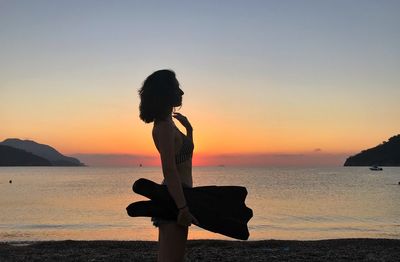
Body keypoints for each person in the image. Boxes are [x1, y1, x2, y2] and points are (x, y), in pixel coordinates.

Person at [138, 69, 198, 262]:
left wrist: (189, 130)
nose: (181, 93)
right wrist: (183, 208)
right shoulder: (163, 126)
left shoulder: (170, 123)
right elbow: (169, 169)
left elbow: (185, 158)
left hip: (178, 196)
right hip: (175, 199)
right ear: (165, 93)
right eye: (177, 88)